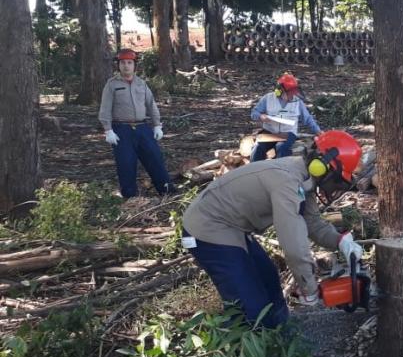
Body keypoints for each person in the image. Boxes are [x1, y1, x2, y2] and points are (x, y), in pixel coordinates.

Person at [181, 130, 364, 328]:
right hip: (207, 227)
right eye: (337, 179)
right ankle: (247, 339)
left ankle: (279, 331)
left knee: (269, 281)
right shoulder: (286, 182)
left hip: (232, 227)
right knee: (250, 306)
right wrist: (309, 287)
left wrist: (340, 241)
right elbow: (293, 244)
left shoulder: (303, 179)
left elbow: (312, 223)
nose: (335, 185)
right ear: (321, 165)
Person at [98, 49, 174, 198]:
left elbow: (151, 105)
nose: (126, 66)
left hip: (142, 128)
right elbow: (105, 108)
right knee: (126, 163)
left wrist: (157, 125)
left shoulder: (141, 84)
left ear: (134, 65)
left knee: (155, 158)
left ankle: (167, 191)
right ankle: (130, 197)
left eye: (129, 63)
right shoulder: (112, 84)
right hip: (121, 129)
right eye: (123, 63)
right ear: (118, 65)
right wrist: (108, 130)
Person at [249, 72, 321, 162]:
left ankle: (282, 169)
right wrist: (260, 116)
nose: (292, 95)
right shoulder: (268, 98)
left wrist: (318, 131)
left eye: (293, 92)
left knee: (282, 148)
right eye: (289, 92)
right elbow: (254, 113)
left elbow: (307, 119)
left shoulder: (298, 102)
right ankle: (256, 168)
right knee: (257, 149)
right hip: (269, 131)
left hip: (288, 133)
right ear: (280, 91)